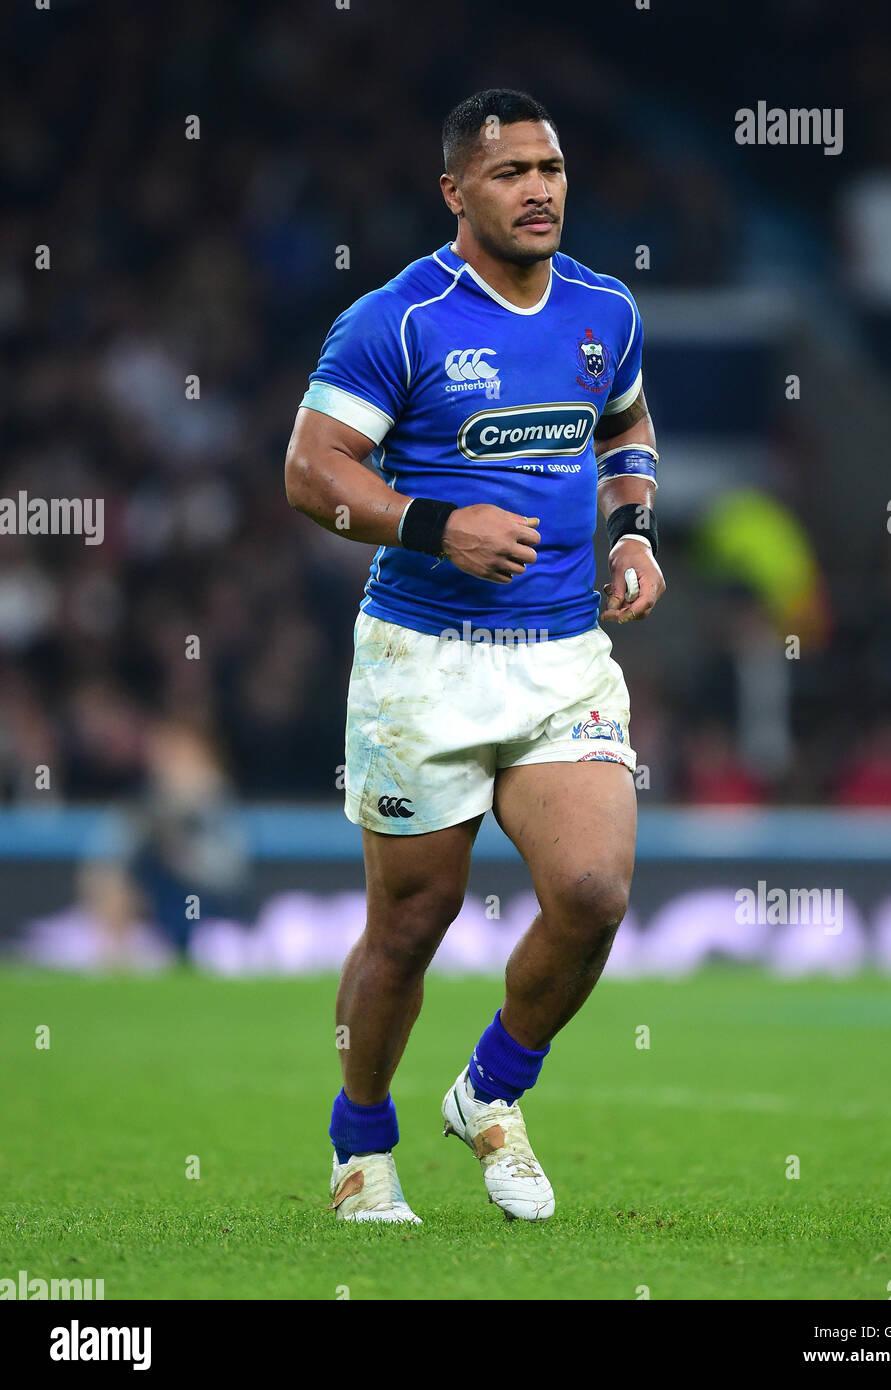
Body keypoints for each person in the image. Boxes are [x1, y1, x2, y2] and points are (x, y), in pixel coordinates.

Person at [285, 88, 665, 1223]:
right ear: (456, 192)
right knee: (410, 924)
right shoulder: (398, 319)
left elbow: (626, 427)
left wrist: (634, 528)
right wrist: (434, 522)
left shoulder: (603, 308)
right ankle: (360, 1143)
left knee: (593, 892)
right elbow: (312, 472)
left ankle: (491, 1090)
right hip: (424, 658)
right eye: (509, 173)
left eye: (550, 167)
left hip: (558, 652)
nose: (539, 188)